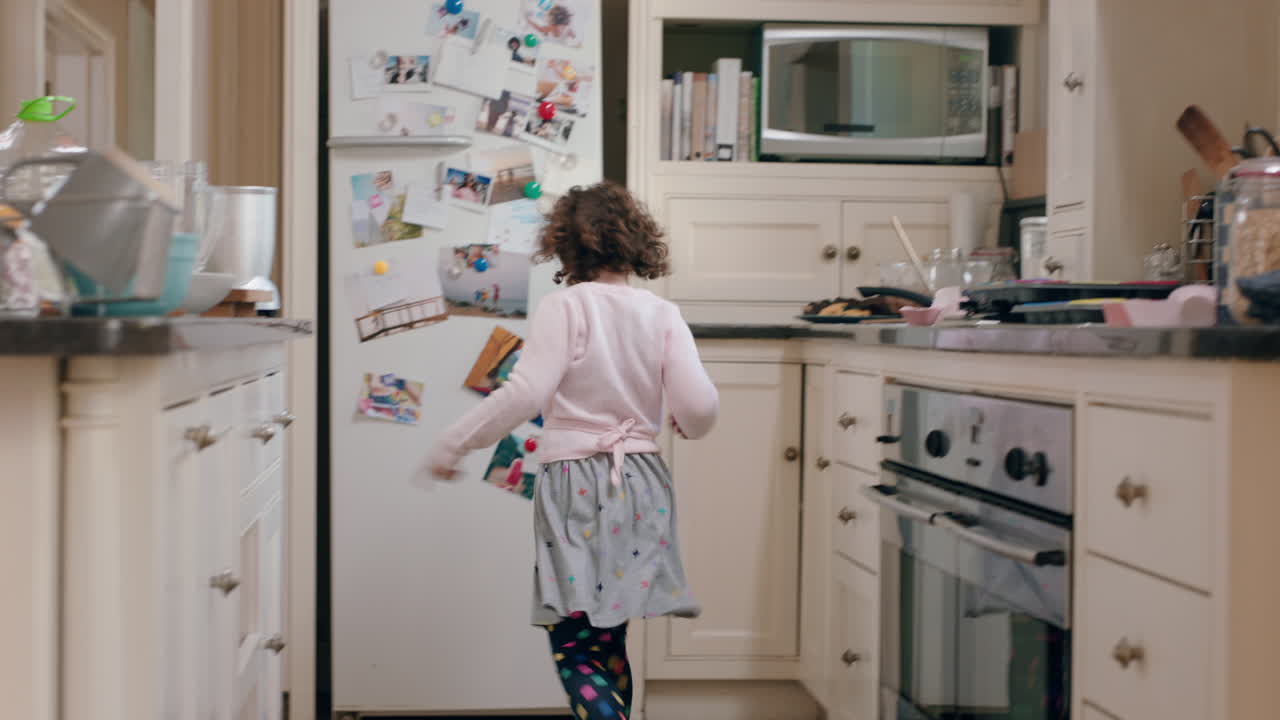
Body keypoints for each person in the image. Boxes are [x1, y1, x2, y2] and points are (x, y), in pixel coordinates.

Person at [426, 182, 719, 720]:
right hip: (643, 483)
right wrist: (682, 420)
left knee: (575, 637)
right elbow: (699, 406)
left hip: (576, 484)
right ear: (638, 244)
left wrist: (455, 442)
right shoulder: (662, 313)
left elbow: (527, 394)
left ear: (564, 247)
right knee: (609, 634)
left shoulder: (567, 306)